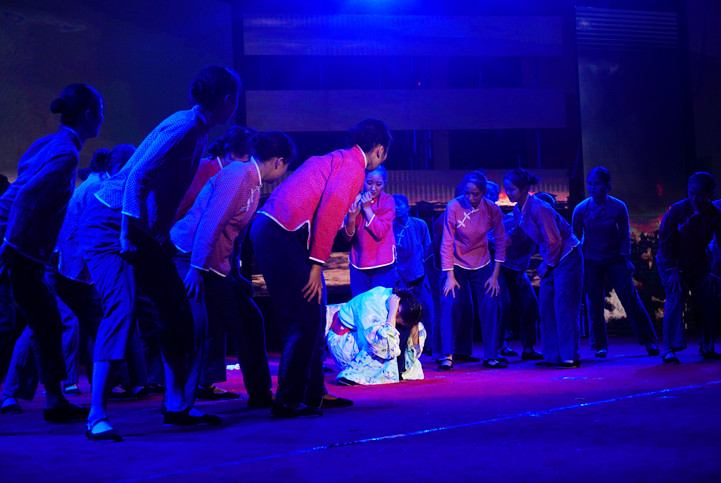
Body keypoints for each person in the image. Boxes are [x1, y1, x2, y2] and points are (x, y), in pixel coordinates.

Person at [79, 65, 240, 441]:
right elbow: (137, 177)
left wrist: (157, 237)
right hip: (111, 222)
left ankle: (177, 404)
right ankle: (96, 415)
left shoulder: (198, 129)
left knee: (176, 309)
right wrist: (126, 233)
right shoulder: (185, 126)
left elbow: (162, 196)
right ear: (228, 101)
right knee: (122, 309)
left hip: (139, 229)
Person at [250, 118, 391, 418]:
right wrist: (316, 265)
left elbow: (336, 221)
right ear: (380, 150)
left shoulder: (341, 159)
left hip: (278, 232)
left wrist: (349, 222)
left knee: (314, 311)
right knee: (302, 318)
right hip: (280, 231)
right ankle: (288, 399)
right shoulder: (353, 166)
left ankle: (313, 393)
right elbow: (327, 215)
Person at [0, 84, 103, 422]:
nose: (102, 118)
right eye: (101, 112)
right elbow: (27, 198)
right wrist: (9, 246)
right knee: (13, 324)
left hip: (20, 243)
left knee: (45, 320)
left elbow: (22, 183)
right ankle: (48, 399)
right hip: (15, 242)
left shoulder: (49, 142)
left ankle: (55, 400)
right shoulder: (67, 153)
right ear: (89, 115)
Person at [170, 131, 296, 409]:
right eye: (286, 167)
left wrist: (235, 275)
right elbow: (211, 223)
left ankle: (260, 392)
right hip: (190, 255)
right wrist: (196, 269)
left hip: (213, 264)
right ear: (278, 162)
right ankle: (180, 404)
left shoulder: (253, 182)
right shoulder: (239, 174)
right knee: (198, 324)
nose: (284, 173)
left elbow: (234, 235)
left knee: (250, 317)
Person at [173, 125, 257, 400]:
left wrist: (233, 271)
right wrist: (194, 262)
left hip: (210, 255)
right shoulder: (219, 170)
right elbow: (199, 215)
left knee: (219, 316)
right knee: (198, 320)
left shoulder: (242, 175)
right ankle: (181, 393)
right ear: (235, 155)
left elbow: (233, 229)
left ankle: (205, 382)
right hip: (189, 247)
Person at [572, 167, 659, 358]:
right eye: (590, 183)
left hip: (615, 260)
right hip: (591, 262)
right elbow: (575, 238)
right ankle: (599, 345)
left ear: (607, 186)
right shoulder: (581, 209)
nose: (592, 187)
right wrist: (578, 265)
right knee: (594, 303)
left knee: (631, 299)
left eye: (597, 184)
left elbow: (625, 235)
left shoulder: (618, 206)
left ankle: (649, 340)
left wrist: (625, 259)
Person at [504, 168, 583, 368]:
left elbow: (554, 240)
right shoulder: (518, 210)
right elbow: (518, 232)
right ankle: (552, 356)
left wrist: (547, 264)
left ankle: (569, 356)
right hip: (552, 257)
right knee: (546, 306)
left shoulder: (540, 208)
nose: (508, 193)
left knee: (564, 305)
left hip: (567, 255)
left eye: (512, 189)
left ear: (524, 188)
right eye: (507, 189)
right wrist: (501, 241)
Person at [438, 170, 506, 371]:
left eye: (475, 194)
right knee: (449, 302)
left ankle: (491, 356)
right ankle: (447, 355)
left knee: (491, 302)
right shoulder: (454, 206)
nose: (470, 197)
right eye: (466, 193)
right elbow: (447, 241)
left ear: (483, 192)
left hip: (482, 264)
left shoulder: (492, 209)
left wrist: (495, 276)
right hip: (456, 264)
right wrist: (449, 276)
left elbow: (501, 242)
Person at [656, 172, 721, 364]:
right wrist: (673, 271)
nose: (695, 198)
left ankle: (708, 345)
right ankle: (670, 348)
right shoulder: (677, 210)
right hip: (670, 262)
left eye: (701, 195)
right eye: (692, 193)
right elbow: (665, 242)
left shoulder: (715, 214)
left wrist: (714, 274)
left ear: (709, 194)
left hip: (699, 263)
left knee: (709, 298)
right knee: (675, 297)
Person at [326, 287, 424, 385]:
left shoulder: (401, 302)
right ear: (399, 309)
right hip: (344, 341)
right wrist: (392, 312)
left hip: (367, 336)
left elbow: (415, 347)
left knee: (414, 327)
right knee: (383, 341)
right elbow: (380, 344)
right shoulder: (371, 304)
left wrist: (413, 326)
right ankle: (355, 374)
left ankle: (398, 369)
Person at [495, 192, 549, 362]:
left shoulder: (542, 224)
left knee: (530, 304)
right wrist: (504, 242)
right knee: (503, 305)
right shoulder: (514, 219)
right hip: (500, 266)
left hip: (518, 268)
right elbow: (491, 238)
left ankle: (528, 347)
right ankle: (496, 348)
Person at [175, 125, 257, 222]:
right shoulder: (202, 170)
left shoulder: (230, 174)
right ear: (233, 155)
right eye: (247, 161)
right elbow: (180, 209)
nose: (249, 167)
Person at [343, 166, 397, 295]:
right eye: (369, 183)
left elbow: (380, 232)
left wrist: (367, 209)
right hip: (359, 262)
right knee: (360, 303)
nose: (373, 188)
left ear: (384, 184)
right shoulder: (353, 201)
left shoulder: (387, 201)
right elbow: (347, 237)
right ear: (363, 181)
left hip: (383, 264)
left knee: (379, 304)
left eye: (378, 184)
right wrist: (351, 217)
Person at [392, 194, 434, 347]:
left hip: (420, 275)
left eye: (400, 204)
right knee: (403, 311)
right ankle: (406, 344)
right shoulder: (390, 227)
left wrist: (425, 275)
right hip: (400, 277)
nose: (396, 208)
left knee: (427, 308)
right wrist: (399, 279)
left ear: (408, 207)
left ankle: (430, 344)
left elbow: (428, 249)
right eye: (394, 205)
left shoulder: (419, 224)